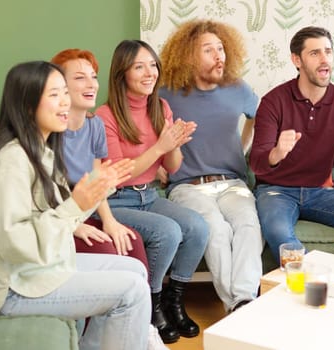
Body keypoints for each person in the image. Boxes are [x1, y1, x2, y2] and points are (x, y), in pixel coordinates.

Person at [0, 61, 150, 350]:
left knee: (134, 270)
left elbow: (64, 217)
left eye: (65, 92)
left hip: (39, 269)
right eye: (54, 95)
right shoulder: (12, 161)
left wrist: (101, 186)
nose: (65, 102)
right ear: (26, 105)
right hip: (11, 287)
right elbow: (15, 244)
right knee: (132, 291)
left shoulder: (42, 152)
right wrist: (76, 205)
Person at [95, 40, 209, 344]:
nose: (150, 72)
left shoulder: (160, 107)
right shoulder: (105, 116)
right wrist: (160, 145)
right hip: (117, 200)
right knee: (168, 232)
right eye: (139, 66)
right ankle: (151, 303)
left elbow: (172, 166)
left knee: (197, 226)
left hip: (151, 196)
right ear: (122, 74)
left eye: (152, 64)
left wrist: (174, 143)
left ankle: (175, 300)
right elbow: (120, 173)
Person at [249, 26, 334, 263]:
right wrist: (277, 153)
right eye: (315, 53)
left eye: (328, 52)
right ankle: (306, 288)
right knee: (278, 231)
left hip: (320, 192)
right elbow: (257, 162)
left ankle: (330, 282)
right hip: (276, 190)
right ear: (297, 60)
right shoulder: (273, 101)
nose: (324, 60)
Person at [159, 19, 263, 313]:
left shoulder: (238, 88)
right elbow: (145, 133)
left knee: (247, 224)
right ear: (188, 56)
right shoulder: (167, 93)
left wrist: (242, 149)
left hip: (232, 184)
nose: (219, 56)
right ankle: (239, 305)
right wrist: (158, 166)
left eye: (221, 48)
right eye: (209, 50)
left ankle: (242, 300)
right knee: (216, 229)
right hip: (187, 186)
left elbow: (259, 116)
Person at [51, 48, 148, 266]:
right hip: (55, 220)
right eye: (79, 78)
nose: (91, 84)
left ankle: (149, 301)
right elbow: (43, 195)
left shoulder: (95, 125)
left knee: (133, 243)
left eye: (93, 77)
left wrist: (109, 221)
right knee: (105, 249)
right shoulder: (48, 130)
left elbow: (97, 181)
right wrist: (73, 226)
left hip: (86, 212)